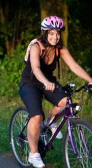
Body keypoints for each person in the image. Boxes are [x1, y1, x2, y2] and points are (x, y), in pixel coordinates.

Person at [19, 16, 92, 168]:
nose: (55, 36)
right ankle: (34, 154)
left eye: (57, 33)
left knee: (66, 103)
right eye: (51, 33)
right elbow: (36, 68)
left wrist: (90, 80)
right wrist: (45, 82)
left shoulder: (60, 49)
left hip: (49, 82)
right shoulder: (36, 46)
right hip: (31, 82)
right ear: (45, 33)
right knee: (36, 116)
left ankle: (50, 124)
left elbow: (74, 66)